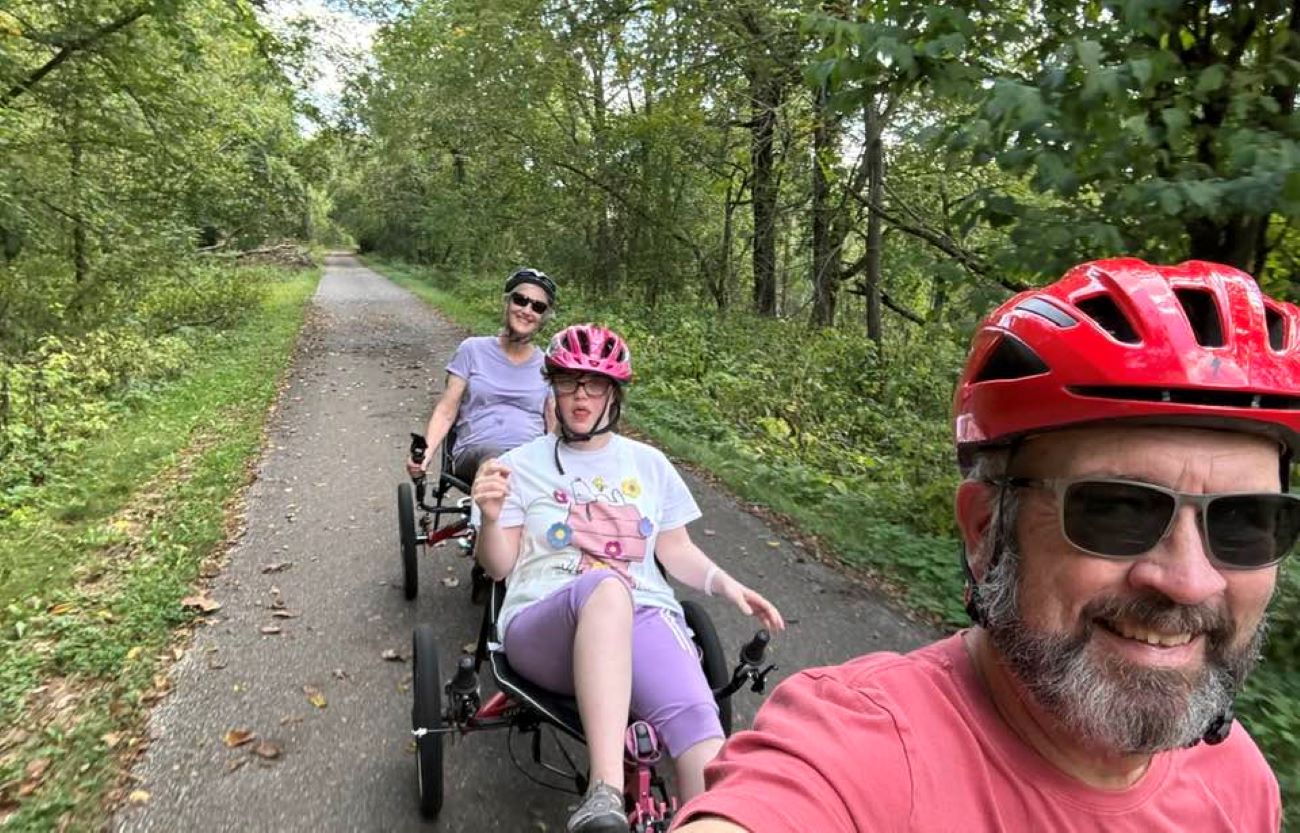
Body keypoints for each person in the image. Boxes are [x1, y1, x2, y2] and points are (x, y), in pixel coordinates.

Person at [673, 258, 1295, 832]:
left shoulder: (1241, 781)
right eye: (1116, 510)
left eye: (1245, 522)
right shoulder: (859, 751)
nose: (1188, 579)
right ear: (984, 530)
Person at [471, 323, 785, 833]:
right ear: (552, 386)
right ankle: (604, 793)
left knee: (701, 729)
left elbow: (676, 551)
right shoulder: (515, 466)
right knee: (607, 586)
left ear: (613, 394)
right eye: (570, 381)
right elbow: (499, 567)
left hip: (641, 617)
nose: (580, 395)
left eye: (594, 384)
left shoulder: (651, 465)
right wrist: (488, 516)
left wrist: (729, 587)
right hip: (544, 625)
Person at [407, 268, 558, 485]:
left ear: (543, 317)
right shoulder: (472, 350)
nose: (527, 310)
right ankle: (496, 513)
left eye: (538, 306)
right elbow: (447, 410)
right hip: (477, 450)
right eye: (520, 300)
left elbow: (553, 423)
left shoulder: (548, 365)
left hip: (530, 456)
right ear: (507, 303)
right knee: (497, 463)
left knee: (524, 465)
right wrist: (425, 455)